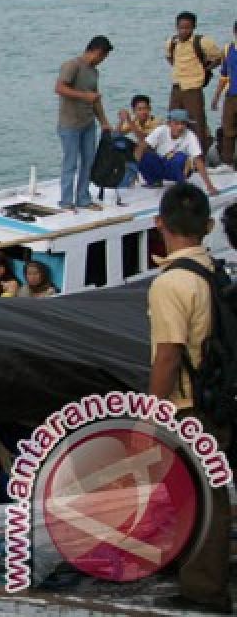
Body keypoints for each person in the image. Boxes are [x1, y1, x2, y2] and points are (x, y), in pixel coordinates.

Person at [148, 183, 230, 613]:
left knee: (200, 494)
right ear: (208, 226)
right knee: (198, 491)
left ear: (159, 224)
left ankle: (205, 591)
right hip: (217, 397)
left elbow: (167, 356)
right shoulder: (213, 271)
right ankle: (190, 569)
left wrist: (150, 415)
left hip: (188, 407)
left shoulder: (171, 283)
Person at [55, 35, 113, 211]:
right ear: (96, 51)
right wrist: (84, 96)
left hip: (88, 123)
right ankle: (66, 201)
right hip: (69, 124)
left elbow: (95, 99)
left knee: (88, 161)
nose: (102, 61)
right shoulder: (72, 66)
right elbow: (59, 88)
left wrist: (104, 121)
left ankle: (83, 198)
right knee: (70, 162)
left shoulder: (94, 72)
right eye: (103, 57)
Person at [167, 11, 223, 155]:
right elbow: (169, 58)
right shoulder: (172, 43)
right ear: (176, 27)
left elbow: (218, 57)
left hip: (193, 87)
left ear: (194, 27)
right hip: (177, 86)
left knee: (196, 122)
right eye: (181, 27)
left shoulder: (202, 41)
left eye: (187, 28)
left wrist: (204, 70)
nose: (184, 31)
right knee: (173, 120)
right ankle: (174, 152)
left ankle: (199, 155)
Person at [135, 110, 220, 196]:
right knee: (146, 156)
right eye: (176, 123)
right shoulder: (161, 130)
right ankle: (154, 181)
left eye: (183, 124)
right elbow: (142, 146)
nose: (180, 127)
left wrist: (209, 186)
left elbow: (198, 160)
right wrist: (136, 170)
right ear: (169, 123)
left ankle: (182, 185)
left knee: (180, 157)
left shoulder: (190, 136)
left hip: (180, 168)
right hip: (163, 164)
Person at [209, 21, 237, 166]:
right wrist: (216, 96)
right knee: (228, 130)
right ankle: (227, 163)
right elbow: (224, 75)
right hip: (231, 96)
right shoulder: (228, 49)